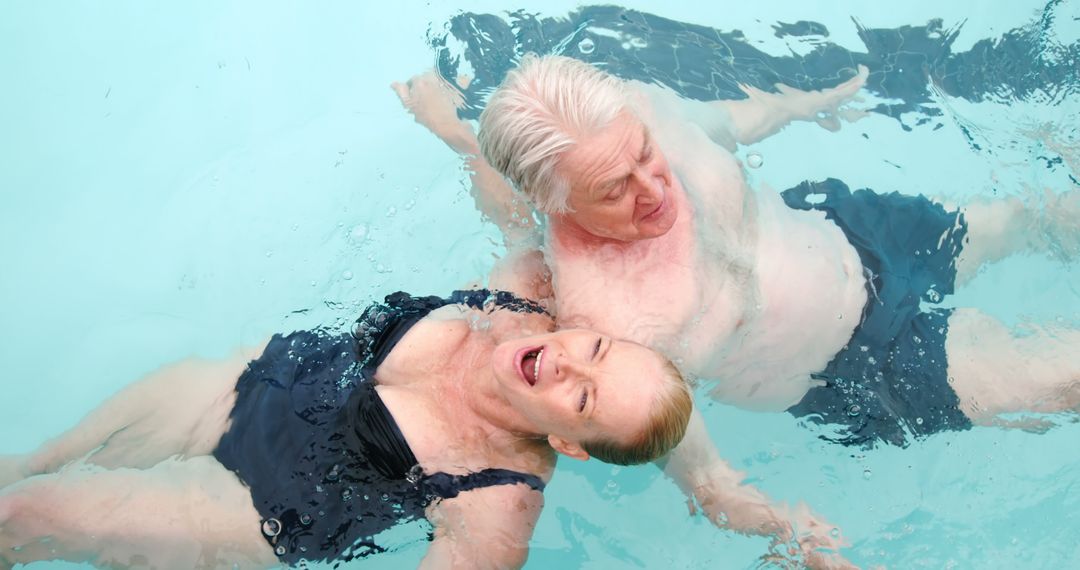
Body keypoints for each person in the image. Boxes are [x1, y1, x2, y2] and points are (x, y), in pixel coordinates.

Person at [394, 54, 1080, 566]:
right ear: (558, 204)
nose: (653, 187)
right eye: (614, 189)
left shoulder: (634, 111)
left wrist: (814, 100)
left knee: (1039, 220)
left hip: (852, 229)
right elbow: (706, 478)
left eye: (645, 155)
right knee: (1062, 381)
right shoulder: (606, 329)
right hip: (865, 367)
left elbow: (734, 120)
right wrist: (787, 530)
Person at [0, 259, 693, 569]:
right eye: (596, 348)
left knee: (22, 517)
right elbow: (539, 177)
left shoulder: (499, 502)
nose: (570, 362)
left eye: (583, 398)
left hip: (251, 505)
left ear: (568, 444)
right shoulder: (524, 294)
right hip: (245, 384)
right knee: (29, 469)